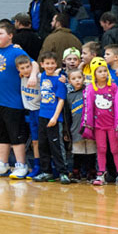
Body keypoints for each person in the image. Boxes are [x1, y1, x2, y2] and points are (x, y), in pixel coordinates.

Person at [0, 21, 39, 178]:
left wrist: (34, 76)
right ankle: (3, 164)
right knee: (0, 135)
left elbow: (34, 63)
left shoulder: (16, 52)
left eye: (0, 34)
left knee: (15, 135)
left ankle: (21, 165)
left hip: (12, 102)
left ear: (10, 36)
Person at [82, 58, 118, 186]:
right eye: (100, 71)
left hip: (112, 126)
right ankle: (101, 173)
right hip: (99, 127)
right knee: (101, 149)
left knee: (115, 149)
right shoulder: (91, 88)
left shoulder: (113, 87)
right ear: (94, 74)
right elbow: (88, 108)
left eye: (105, 71)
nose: (103, 73)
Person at [32, 52, 70, 183]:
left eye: (52, 63)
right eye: (47, 63)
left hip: (54, 117)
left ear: (56, 64)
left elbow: (61, 100)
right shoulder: (42, 76)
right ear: (42, 64)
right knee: (43, 145)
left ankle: (63, 172)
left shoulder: (59, 80)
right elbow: (32, 66)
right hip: (42, 116)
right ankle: (46, 171)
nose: (50, 66)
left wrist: (55, 117)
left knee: (56, 146)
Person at [16, 55, 42, 179]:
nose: (26, 70)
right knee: (35, 141)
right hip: (31, 112)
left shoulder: (39, 77)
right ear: (18, 70)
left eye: (28, 67)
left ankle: (48, 166)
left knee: (44, 141)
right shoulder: (21, 77)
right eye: (23, 68)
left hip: (41, 112)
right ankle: (37, 166)